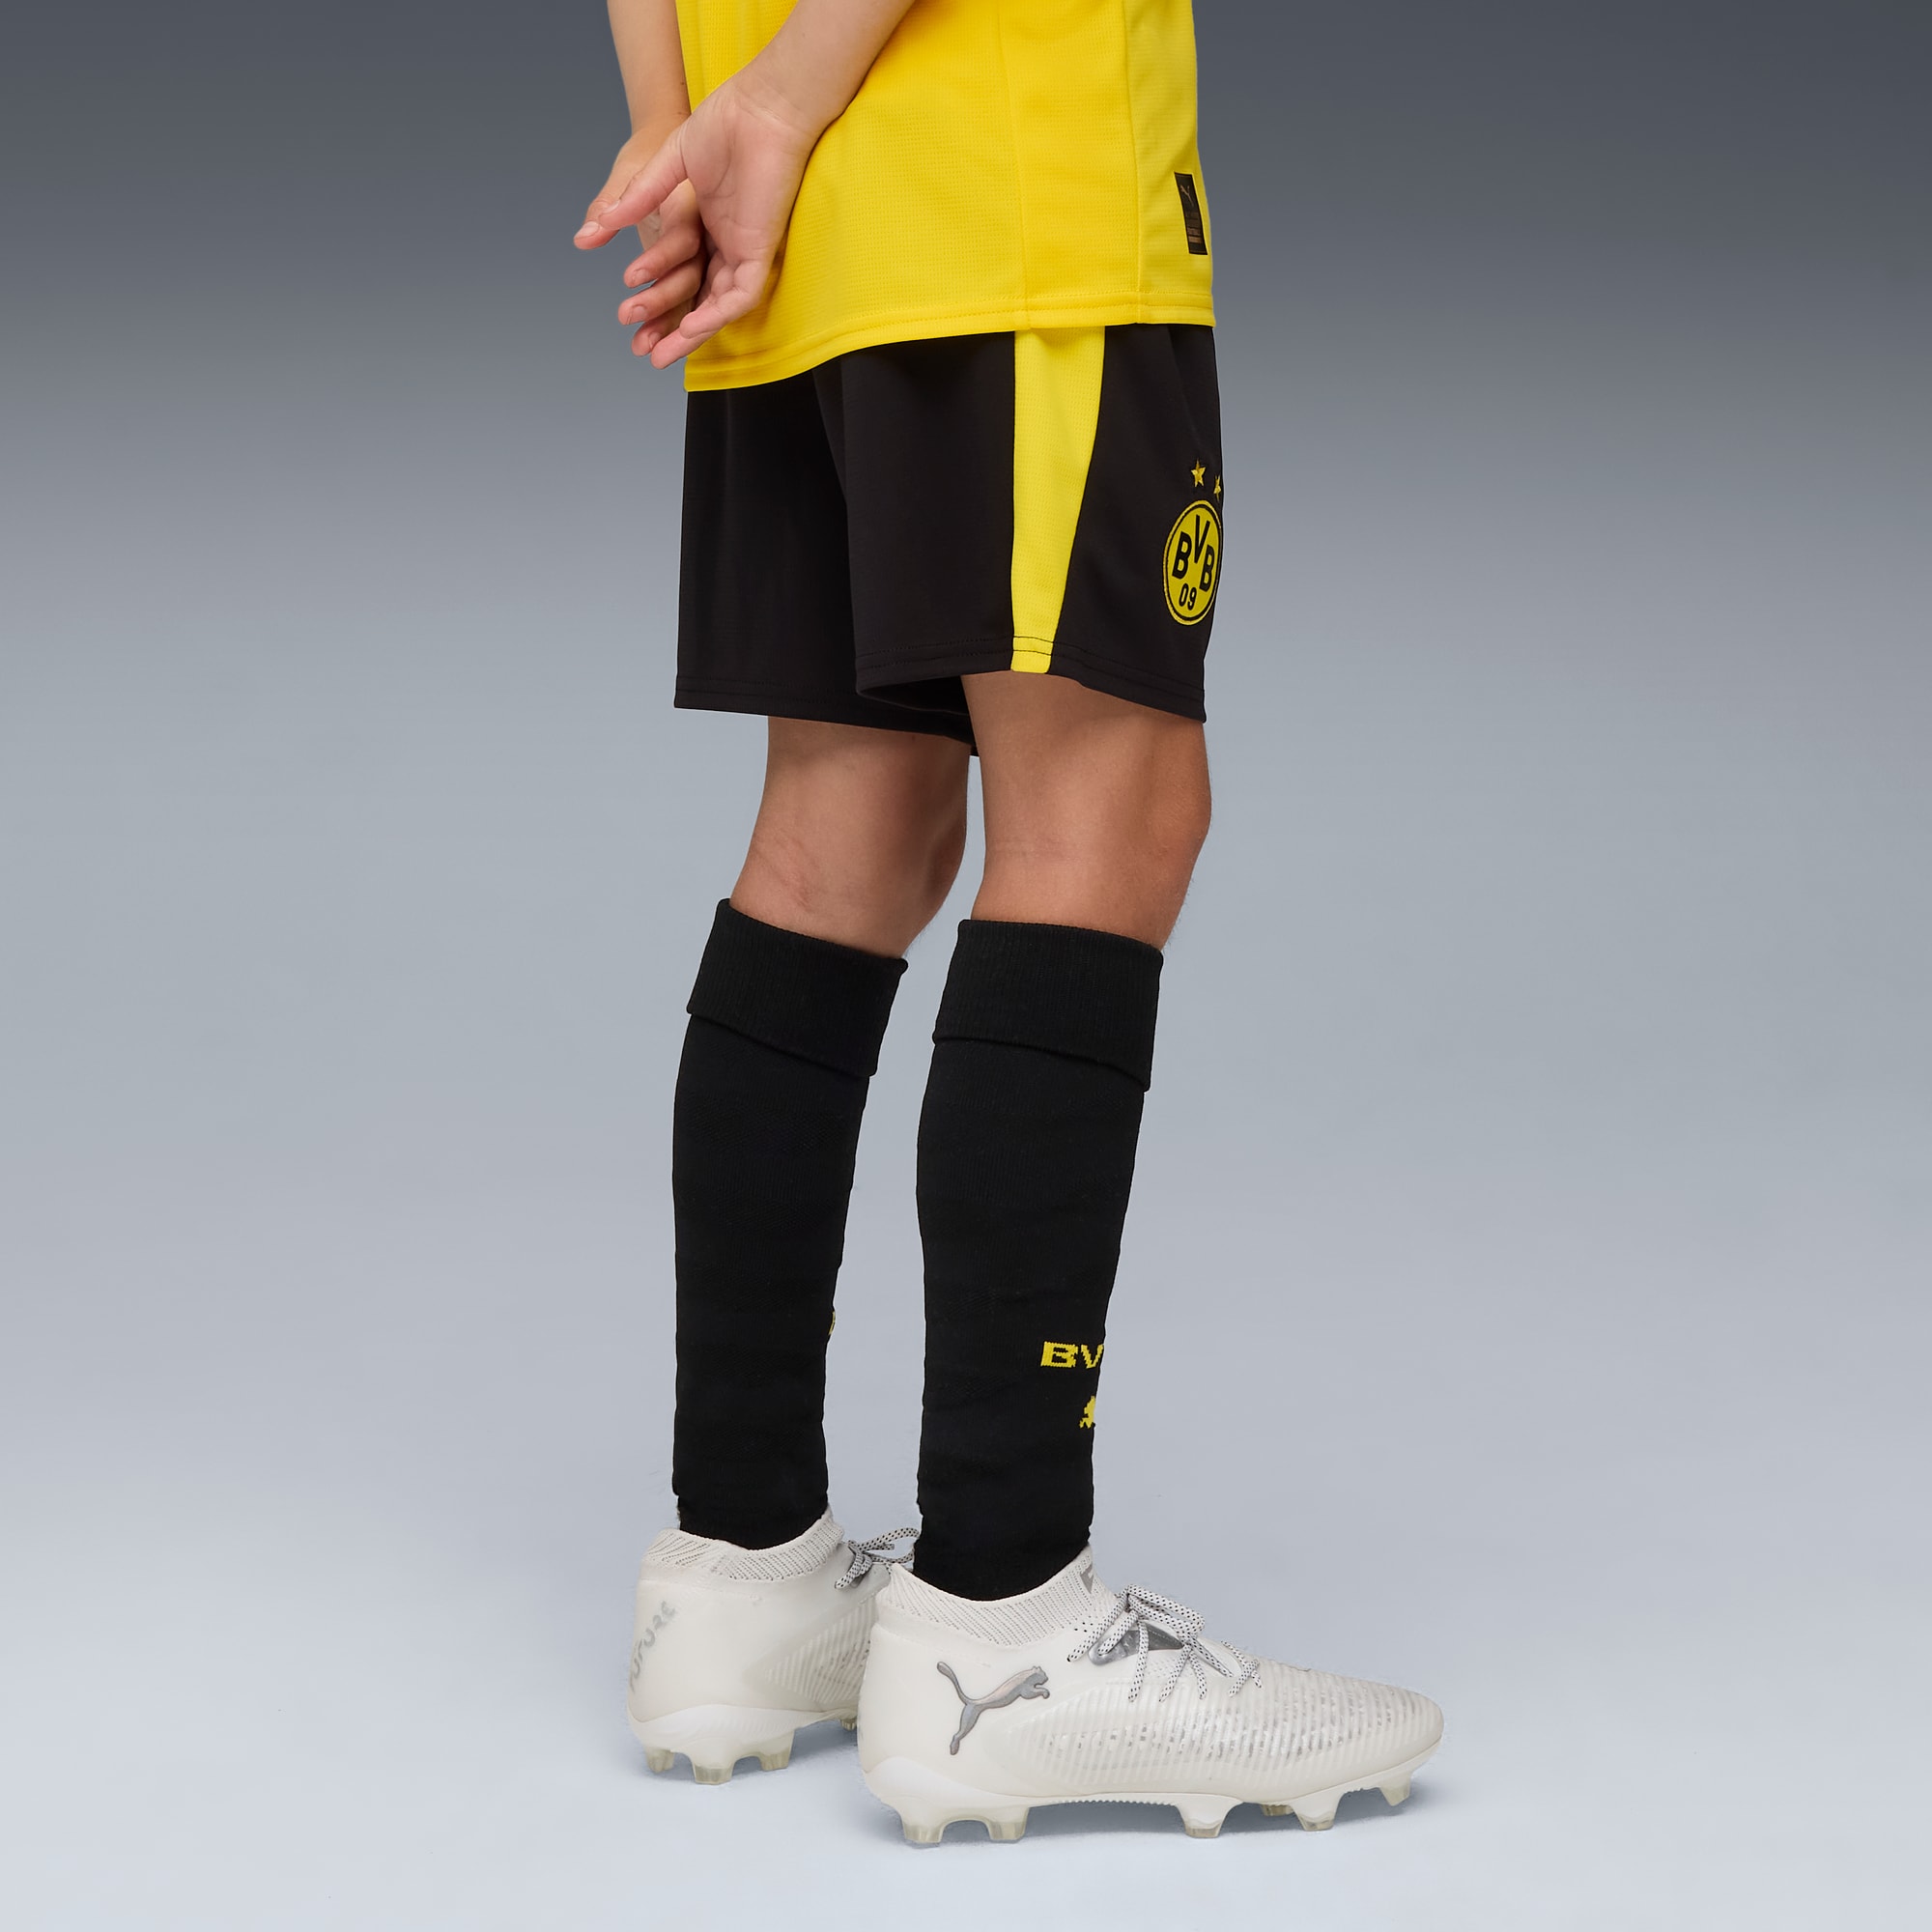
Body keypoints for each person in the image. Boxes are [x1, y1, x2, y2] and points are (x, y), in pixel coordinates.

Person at [576, 0, 1440, 1844]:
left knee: (845, 835)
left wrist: (687, 133)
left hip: (788, 221)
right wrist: (778, 109)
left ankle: (740, 1574)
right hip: (1000, 181)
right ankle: (1007, 1616)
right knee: (1108, 813)